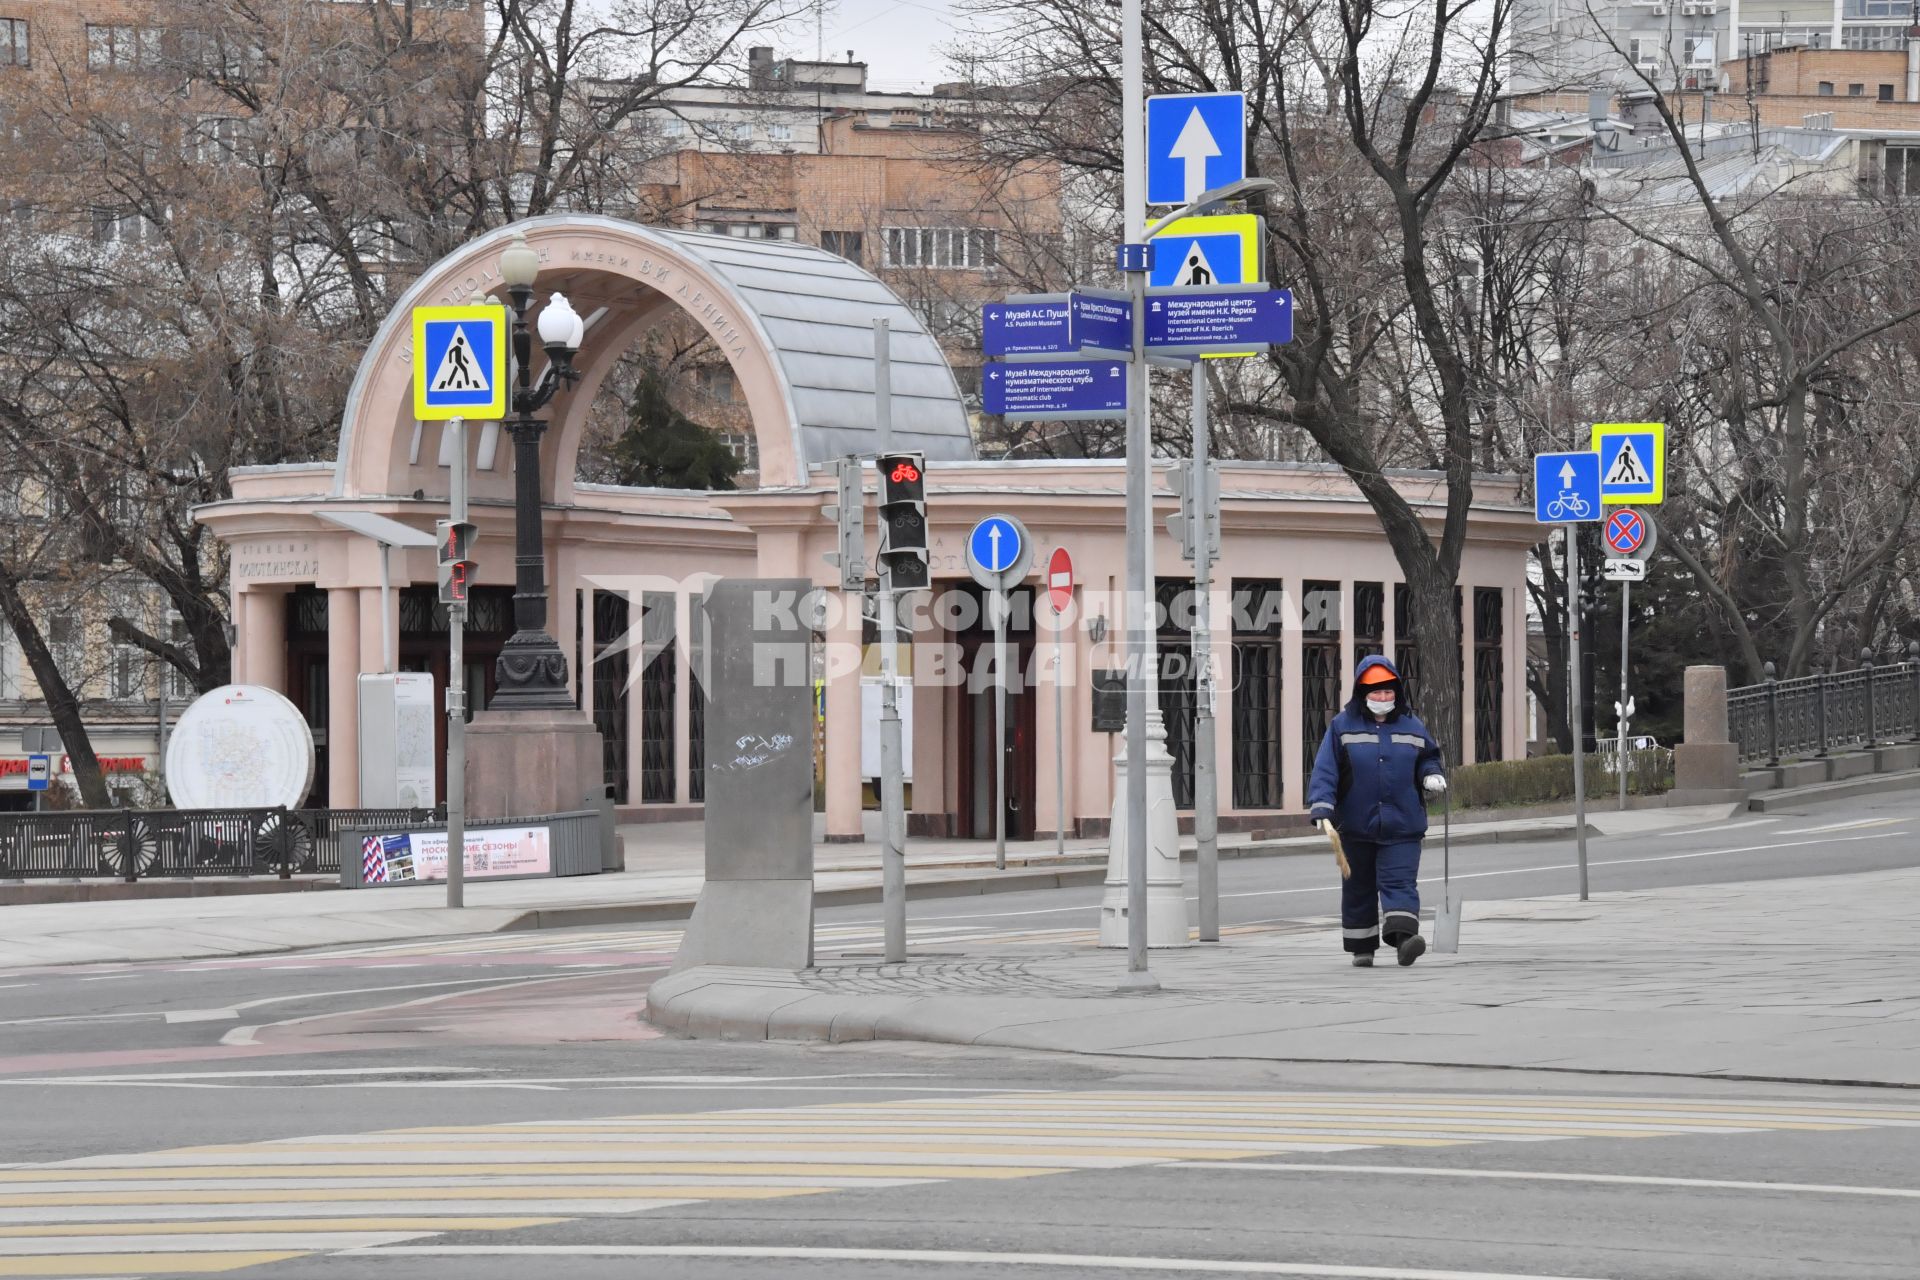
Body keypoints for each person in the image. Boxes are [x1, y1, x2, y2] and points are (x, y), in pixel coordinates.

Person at [1307, 655, 1447, 968]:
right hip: (1355, 825)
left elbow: (1428, 756)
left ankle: (1405, 941)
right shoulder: (1341, 726)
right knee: (1359, 887)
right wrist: (1321, 807)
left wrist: (1431, 774)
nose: (1383, 698)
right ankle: (1362, 947)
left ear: (1396, 692)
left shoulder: (1412, 725)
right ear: (1362, 693)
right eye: (1376, 692)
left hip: (1403, 824)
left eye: (1387, 692)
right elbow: (1326, 769)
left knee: (1400, 883)